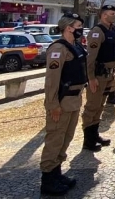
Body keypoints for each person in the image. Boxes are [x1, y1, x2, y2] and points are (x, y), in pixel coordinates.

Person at [39, 13, 87, 196]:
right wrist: (52, 105)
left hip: (74, 99)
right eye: (78, 26)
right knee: (55, 139)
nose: (80, 30)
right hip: (62, 100)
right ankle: (48, 179)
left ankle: (57, 173)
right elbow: (52, 80)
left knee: (65, 139)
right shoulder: (58, 48)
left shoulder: (75, 46)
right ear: (68, 28)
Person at [80, 5, 115, 151]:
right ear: (103, 15)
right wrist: (91, 78)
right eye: (111, 14)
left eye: (114, 13)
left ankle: (95, 134)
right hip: (98, 75)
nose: (114, 16)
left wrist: (114, 69)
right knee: (92, 105)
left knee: (101, 105)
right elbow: (90, 58)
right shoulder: (97, 31)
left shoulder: (113, 30)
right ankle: (88, 139)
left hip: (108, 73)